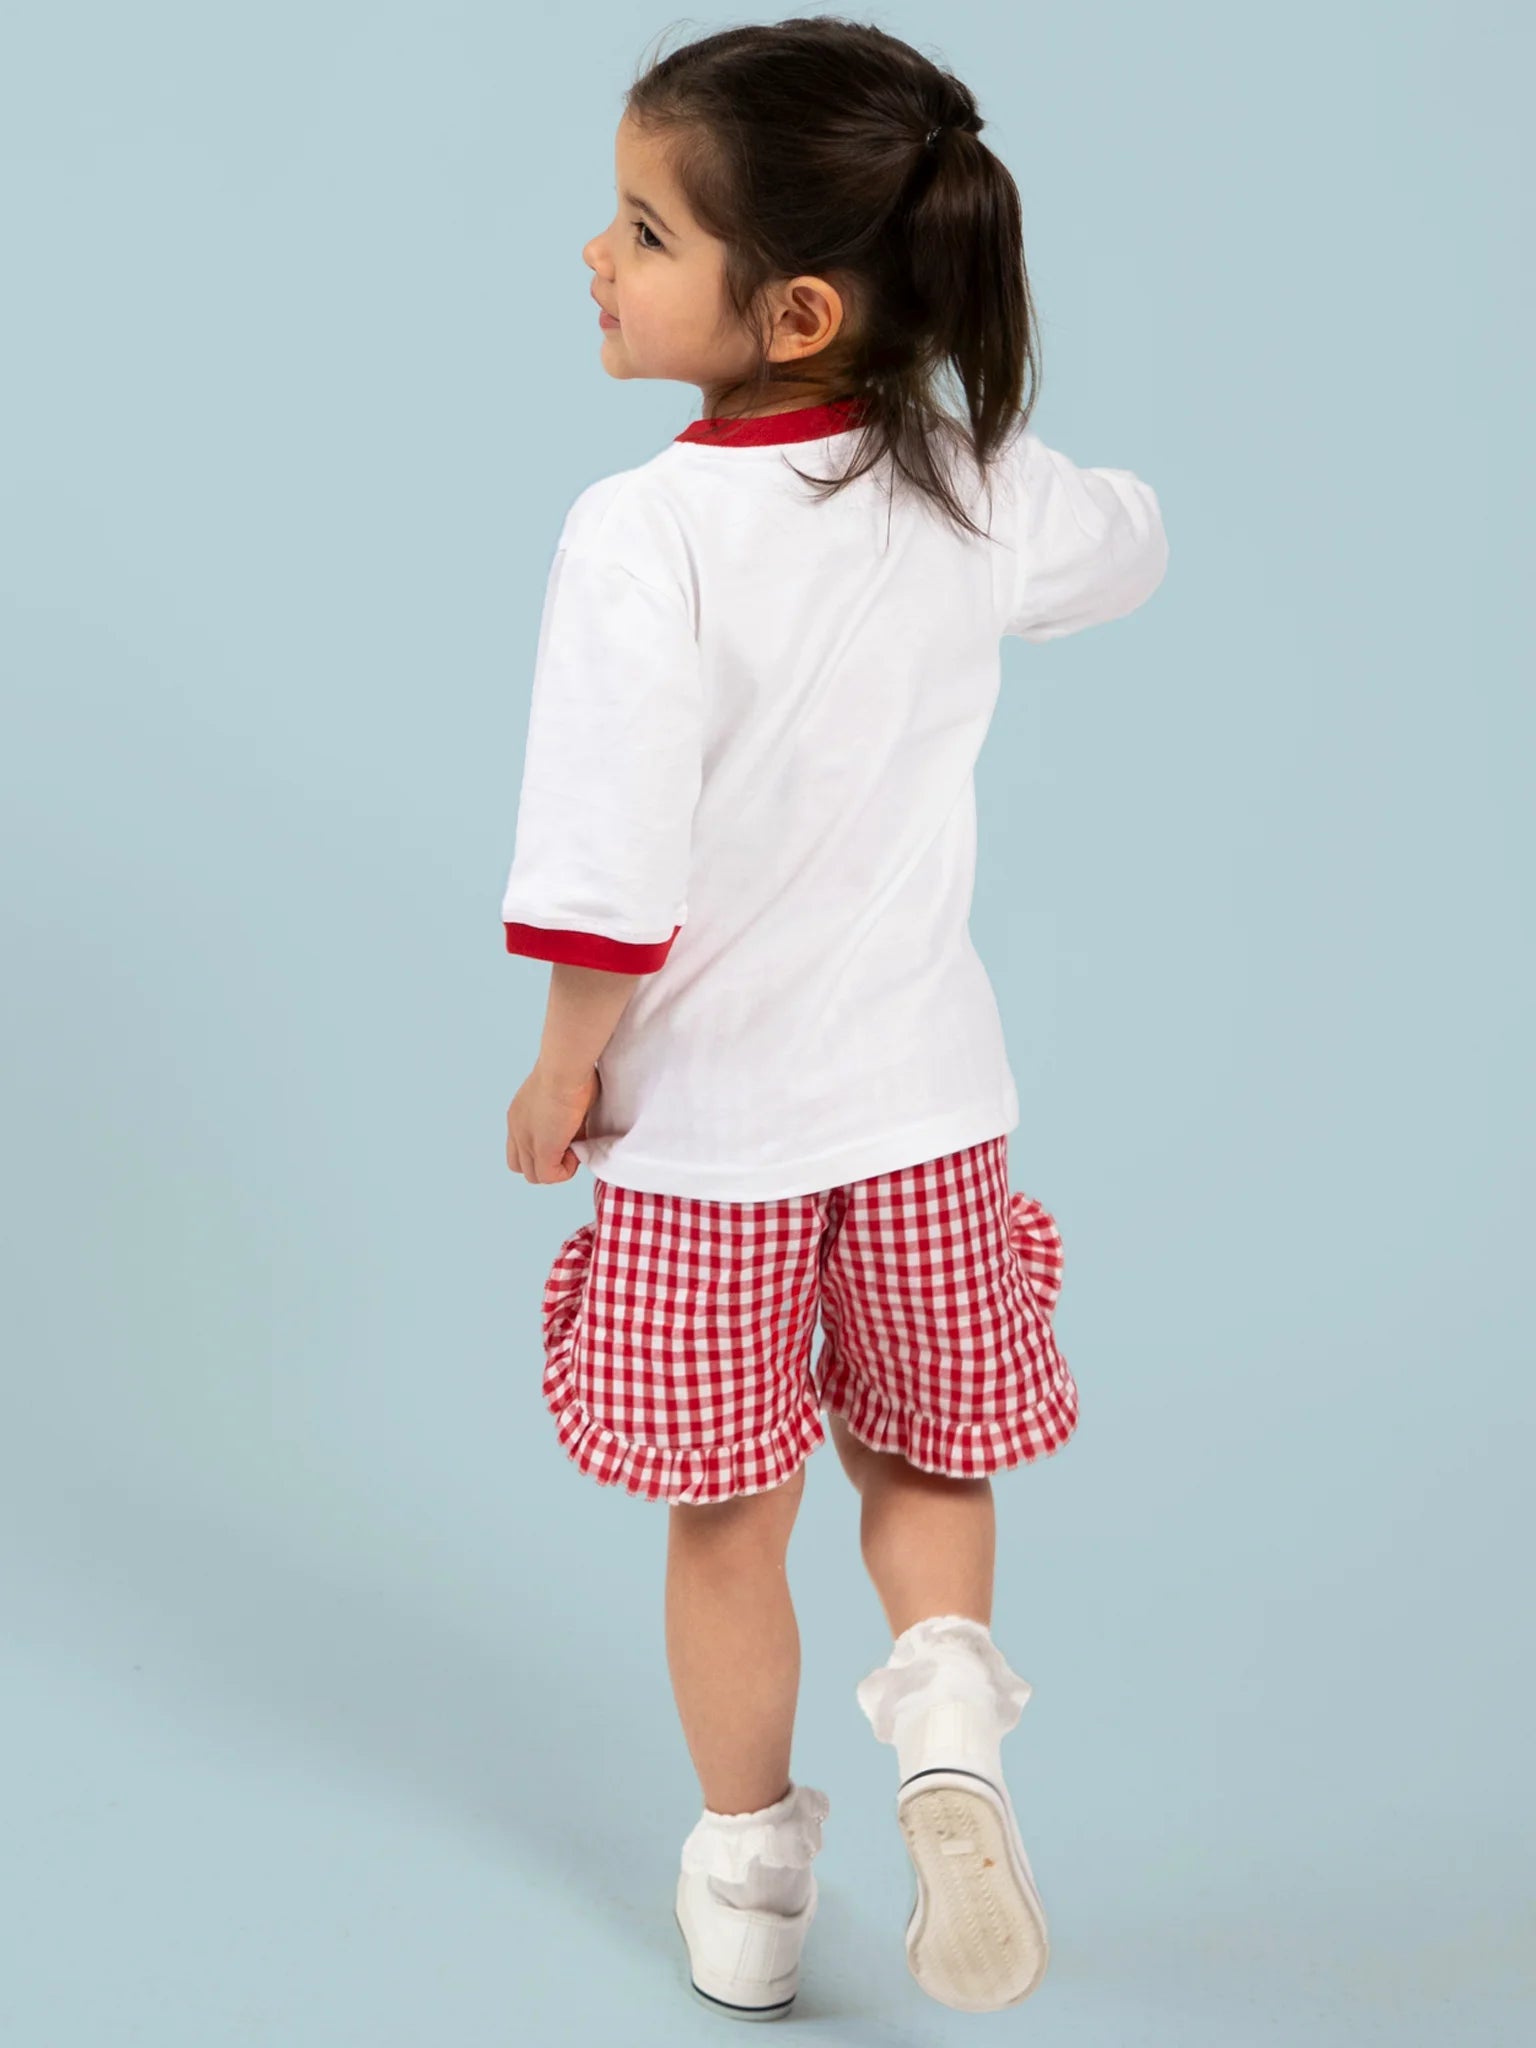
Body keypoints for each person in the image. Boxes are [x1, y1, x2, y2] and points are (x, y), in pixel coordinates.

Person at [499, 18, 1168, 2021]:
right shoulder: (967, 482)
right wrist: (993, 468)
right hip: (932, 1114)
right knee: (925, 1451)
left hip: (717, 1138)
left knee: (731, 1518)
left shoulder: (648, 532)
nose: (592, 258)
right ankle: (946, 1712)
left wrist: (562, 1061)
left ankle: (750, 1887)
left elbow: (607, 851)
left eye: (638, 226)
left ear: (790, 305)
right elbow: (1125, 540)